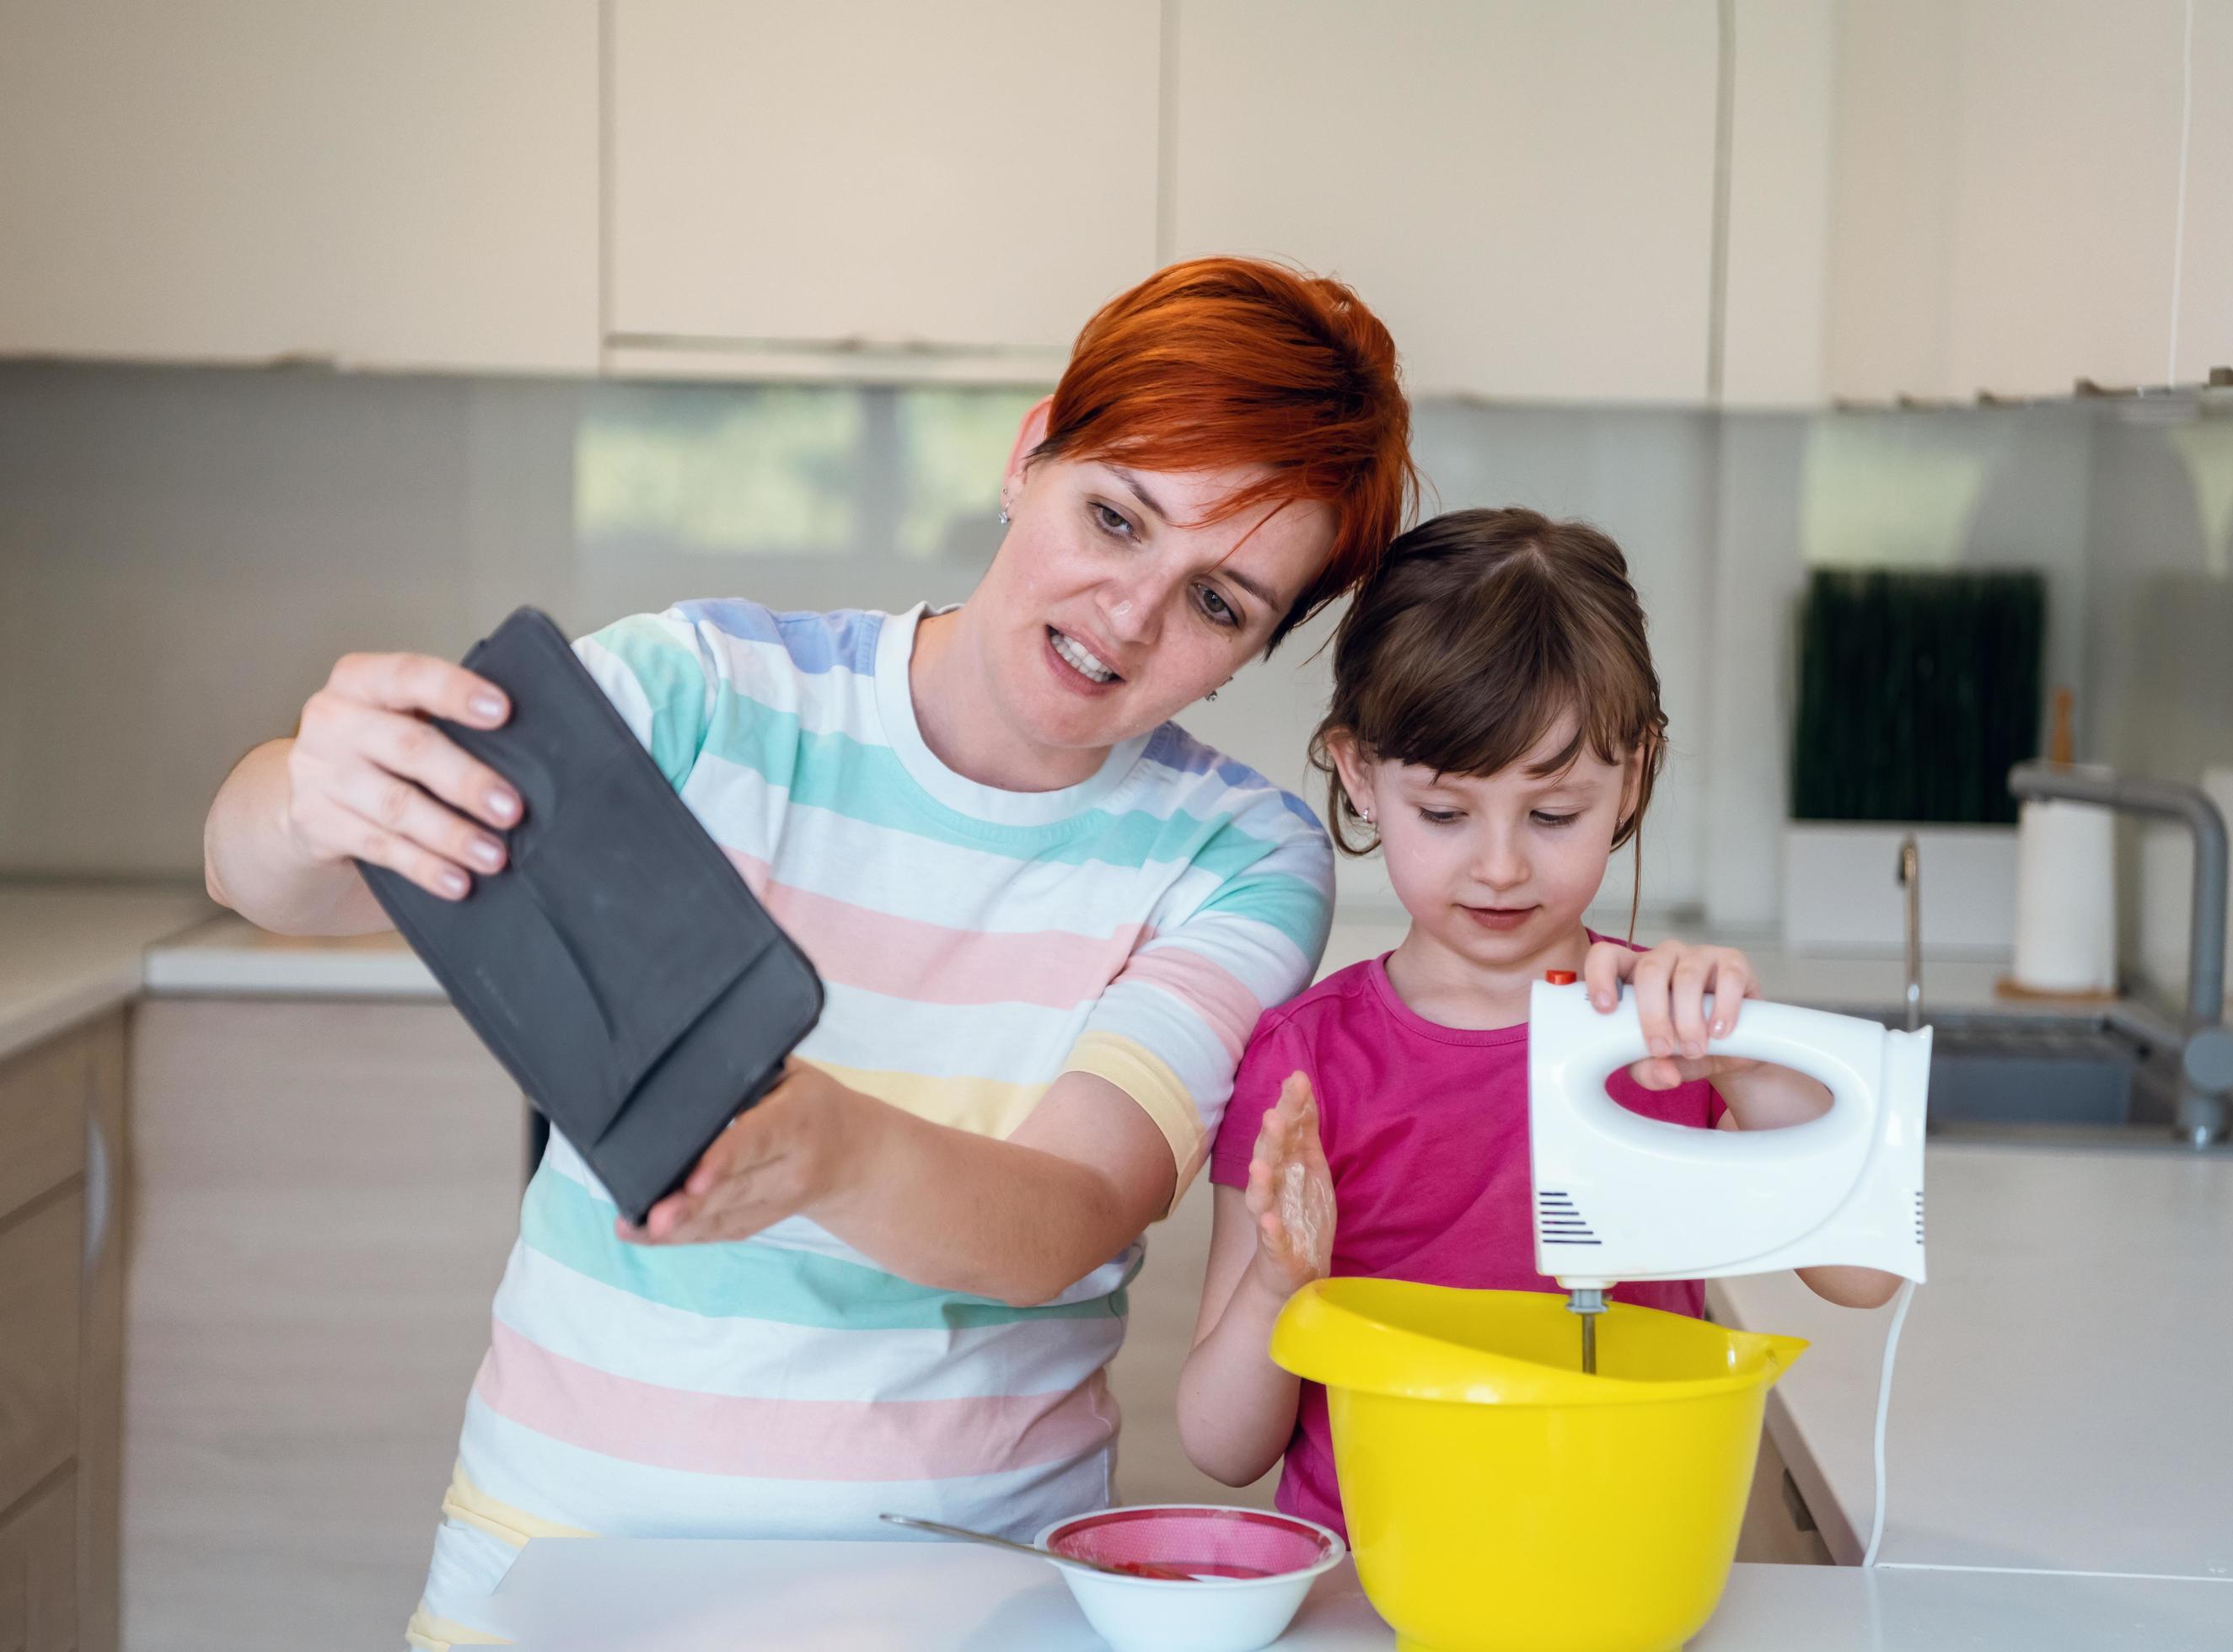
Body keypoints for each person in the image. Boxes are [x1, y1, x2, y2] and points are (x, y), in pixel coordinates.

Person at [197, 256, 1416, 1647]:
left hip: (967, 1596)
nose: (1131, 611)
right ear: (1031, 454)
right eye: (1116, 515)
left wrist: (831, 1147)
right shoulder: (711, 696)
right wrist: (309, 791)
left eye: (1219, 602)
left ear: (1259, 647)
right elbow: (270, 880)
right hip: (558, 1566)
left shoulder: (1236, 857)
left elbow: (1067, 1217)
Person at [1176, 507, 1902, 1541]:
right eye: (1445, 813)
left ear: (1635, 777)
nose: (1503, 864)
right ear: (1358, 775)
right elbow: (1223, 1445)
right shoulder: (1306, 1064)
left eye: (1553, 814)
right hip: (1380, 1578)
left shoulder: (1668, 1027)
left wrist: (1741, 1063)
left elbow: (1864, 1277)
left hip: (1622, 1563)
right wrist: (1277, 1283)